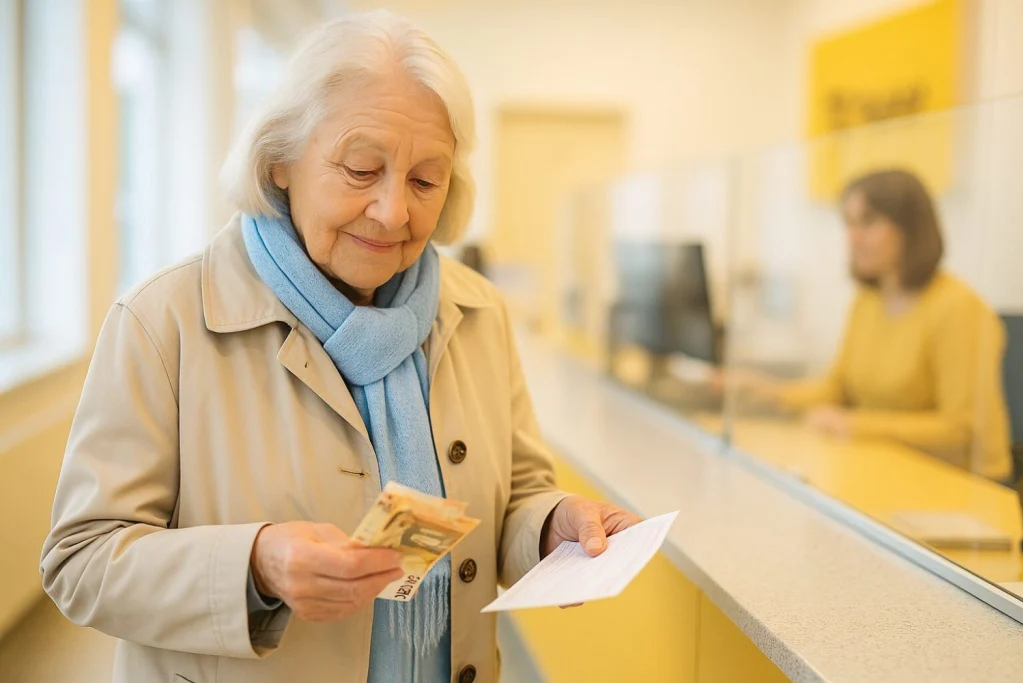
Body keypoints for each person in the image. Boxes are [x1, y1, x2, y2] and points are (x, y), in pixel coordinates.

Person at [40, 12, 640, 683]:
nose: (393, 211)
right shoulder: (162, 321)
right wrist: (256, 563)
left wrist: (551, 524)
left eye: (423, 180)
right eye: (361, 169)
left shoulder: (478, 311)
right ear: (280, 162)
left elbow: (517, 491)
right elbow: (81, 560)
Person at [768, 169, 1011, 480]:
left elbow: (961, 428)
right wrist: (768, 394)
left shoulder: (958, 307)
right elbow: (836, 388)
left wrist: (852, 425)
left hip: (960, 484)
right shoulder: (867, 301)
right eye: (849, 224)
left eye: (868, 223)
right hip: (887, 468)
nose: (853, 238)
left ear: (910, 229)